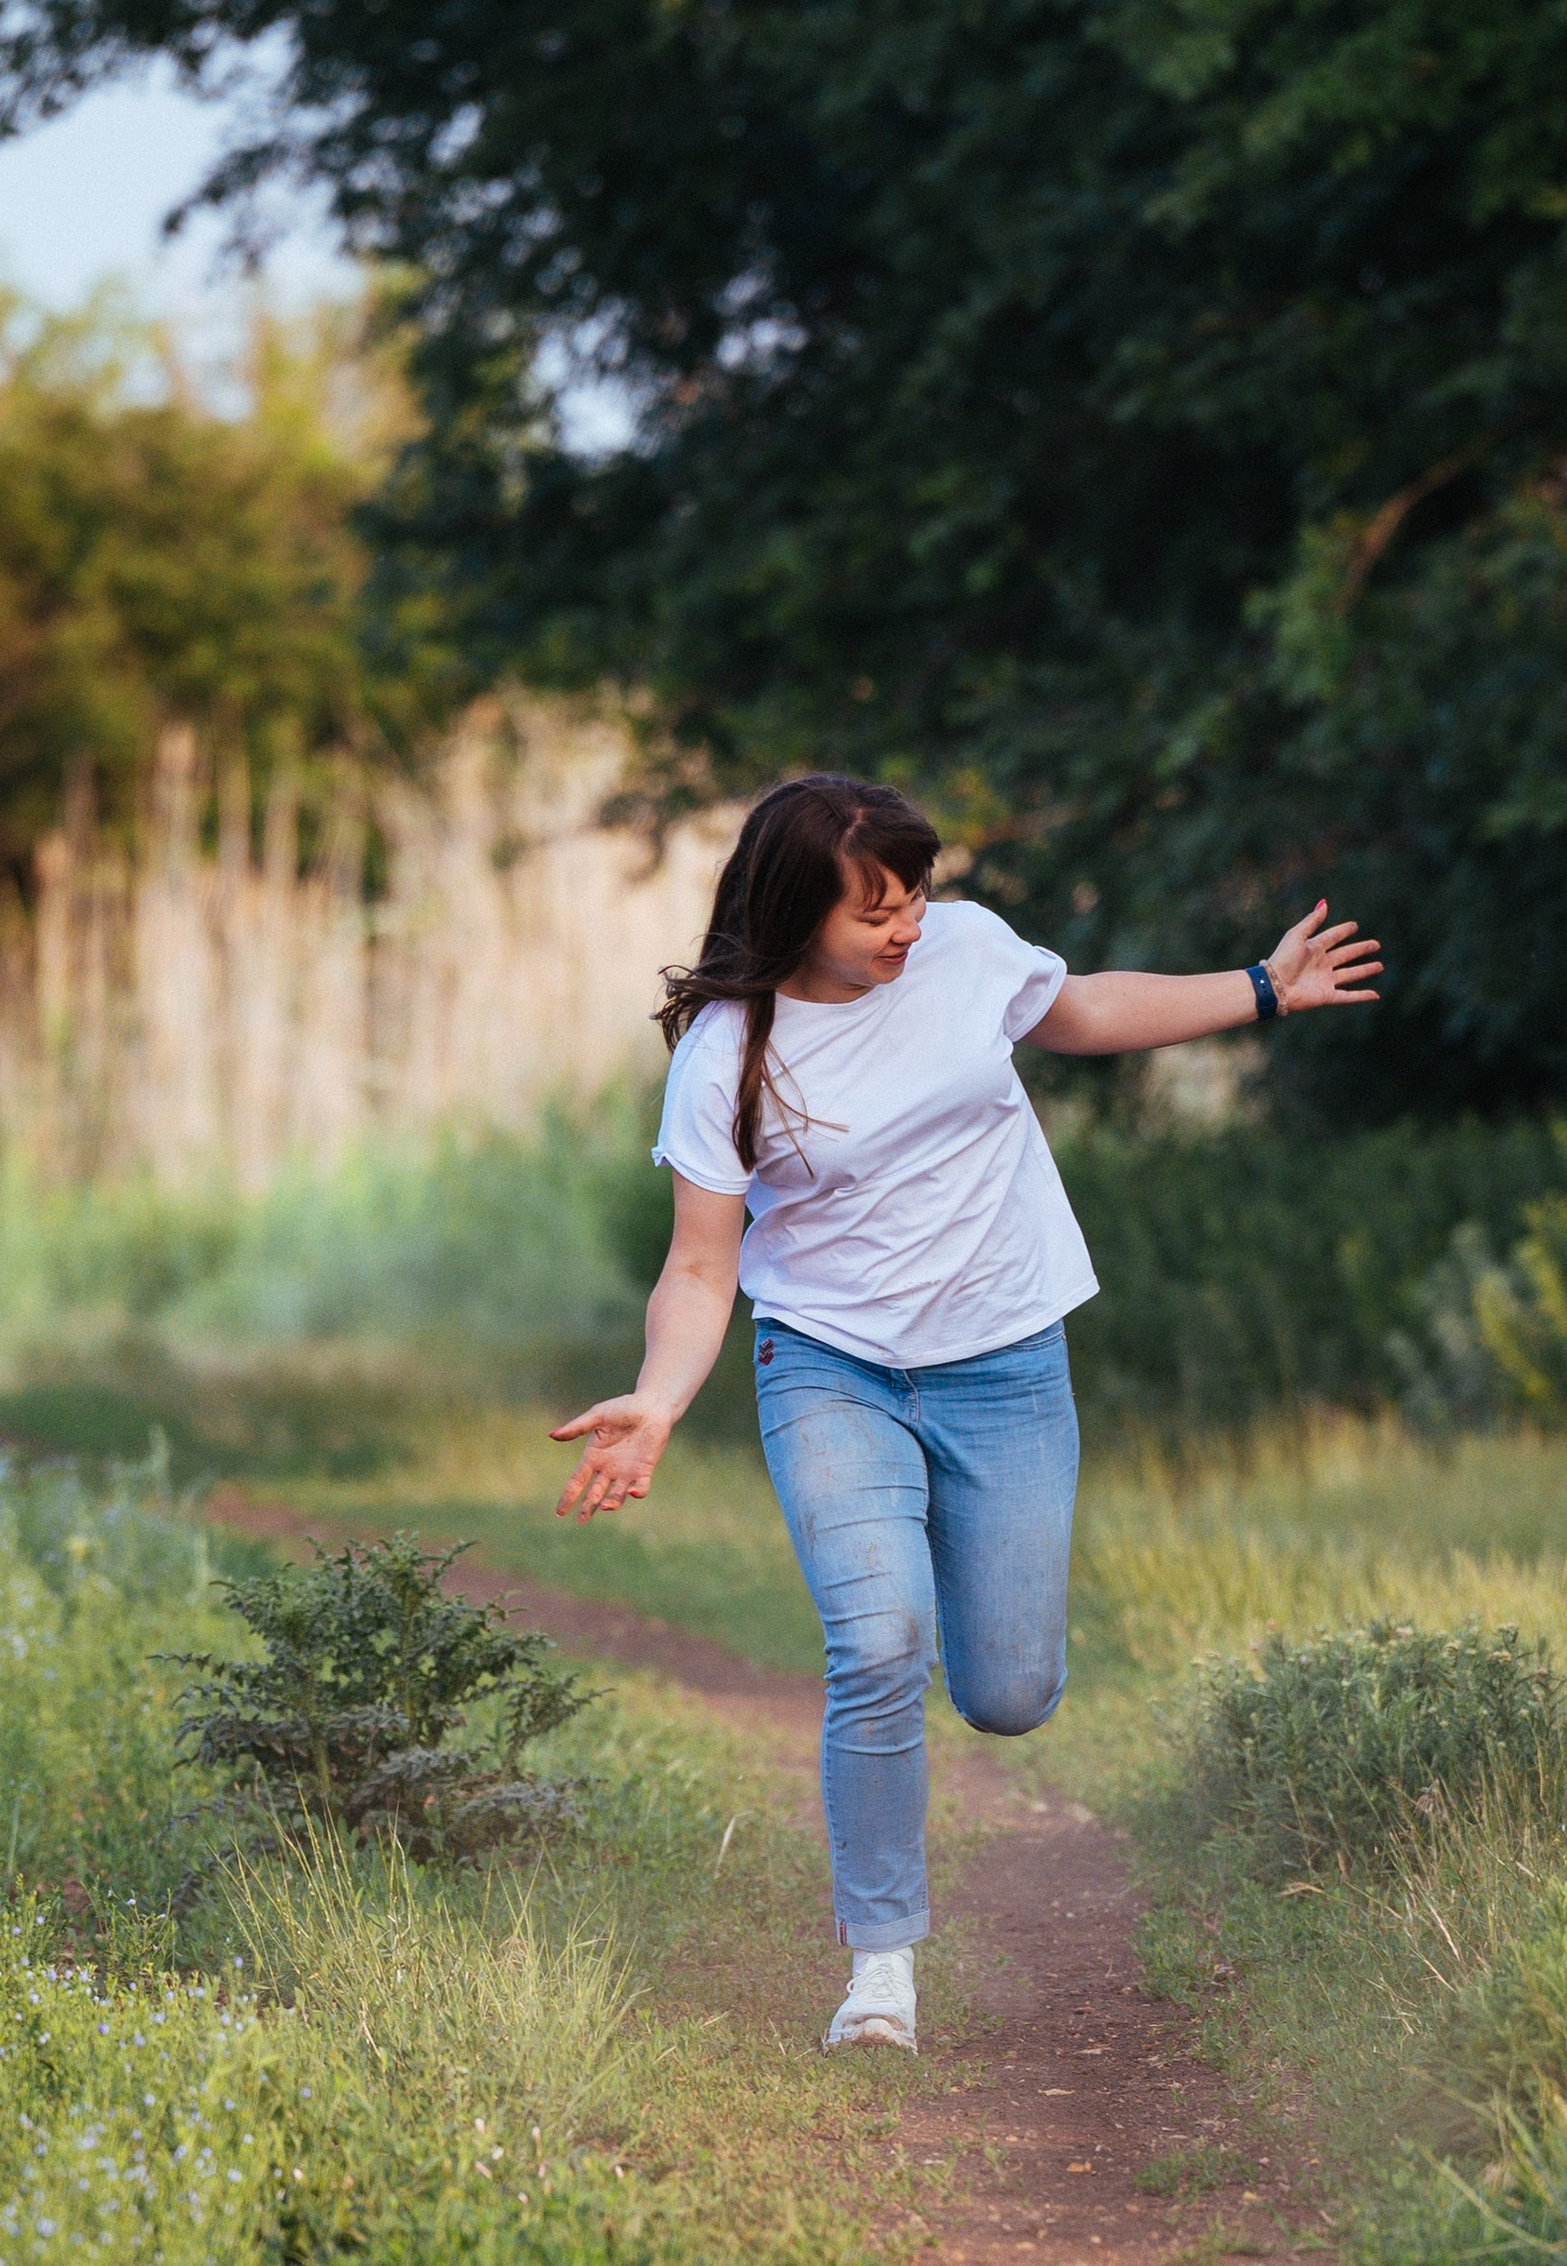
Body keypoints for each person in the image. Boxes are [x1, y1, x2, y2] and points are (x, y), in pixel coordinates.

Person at [551, 770, 1381, 2051]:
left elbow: (1085, 1007)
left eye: (917, 894)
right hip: (829, 1365)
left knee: (1007, 1691)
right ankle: (881, 1968)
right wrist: (658, 1401)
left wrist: (1261, 987)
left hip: (1005, 1355)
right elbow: (704, 1264)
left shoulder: (967, 950)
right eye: (875, 909)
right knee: (877, 1646)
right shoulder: (730, 1052)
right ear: (793, 914)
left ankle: (960, 1643)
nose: (908, 926)